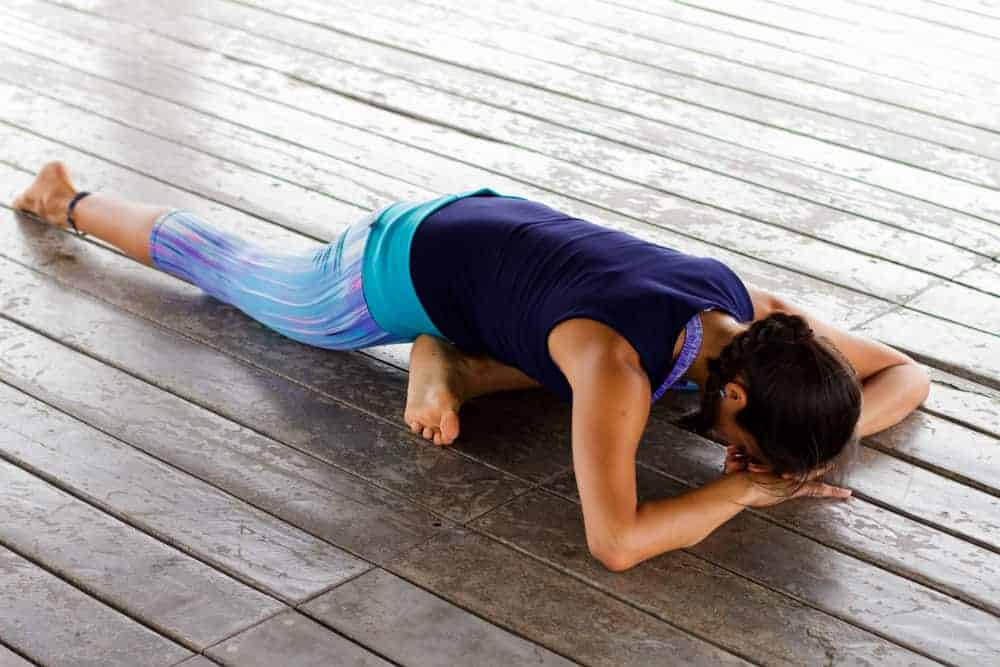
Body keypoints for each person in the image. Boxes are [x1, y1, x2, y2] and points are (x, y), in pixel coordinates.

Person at [13, 162, 930, 572]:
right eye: (750, 445)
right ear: (736, 392)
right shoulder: (616, 366)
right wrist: (749, 495)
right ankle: (72, 198)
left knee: (634, 388)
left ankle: (448, 357)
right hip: (395, 263)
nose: (742, 462)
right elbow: (616, 543)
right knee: (244, 280)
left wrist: (807, 449)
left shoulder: (764, 323)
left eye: (753, 465)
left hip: (495, 231)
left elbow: (905, 378)